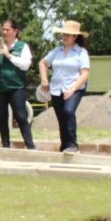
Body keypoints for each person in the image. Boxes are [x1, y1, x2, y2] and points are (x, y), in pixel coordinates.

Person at [39, 20, 91, 154]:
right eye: (64, 34)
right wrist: (44, 79)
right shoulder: (57, 51)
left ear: (75, 37)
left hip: (75, 88)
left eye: (68, 34)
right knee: (61, 117)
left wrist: (72, 89)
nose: (65, 37)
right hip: (56, 89)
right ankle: (65, 145)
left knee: (68, 112)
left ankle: (73, 144)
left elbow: (85, 73)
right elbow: (43, 63)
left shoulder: (81, 52)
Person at [0, 19, 36, 149]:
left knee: (20, 116)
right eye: (3, 29)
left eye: (7, 30)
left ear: (15, 31)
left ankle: (30, 146)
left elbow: (25, 66)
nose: (4, 32)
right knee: (2, 117)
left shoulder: (22, 46)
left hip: (16, 87)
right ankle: (6, 145)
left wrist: (9, 55)